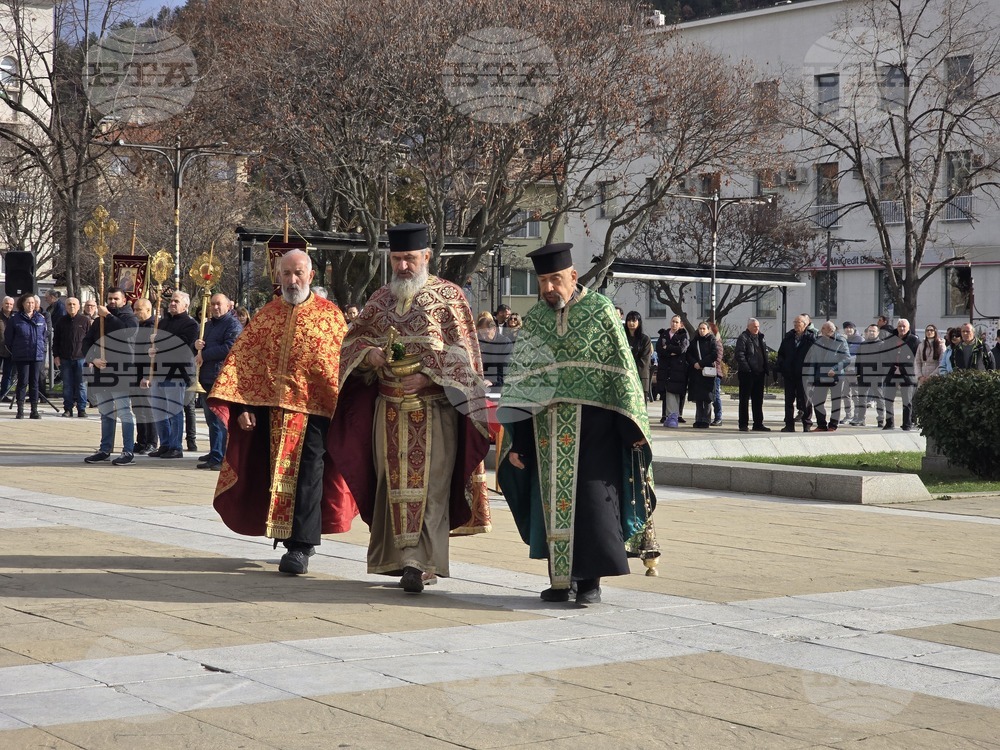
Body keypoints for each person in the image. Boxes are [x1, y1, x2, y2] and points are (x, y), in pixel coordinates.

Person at [332, 223, 491, 593]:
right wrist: (369, 355)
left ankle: (422, 564)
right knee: (391, 487)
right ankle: (398, 559)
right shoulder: (380, 300)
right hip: (387, 411)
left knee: (430, 487)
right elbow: (349, 345)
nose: (403, 266)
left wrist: (430, 378)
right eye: (397, 259)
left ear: (426, 257)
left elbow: (466, 362)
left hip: (434, 413)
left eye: (410, 259)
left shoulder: (450, 298)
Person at [496, 242, 653, 606]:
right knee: (551, 505)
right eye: (542, 282)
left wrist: (631, 430)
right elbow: (521, 385)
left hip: (596, 428)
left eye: (555, 280)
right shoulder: (534, 320)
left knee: (592, 504)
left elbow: (623, 375)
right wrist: (518, 441)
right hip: (545, 430)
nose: (549, 289)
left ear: (572, 276)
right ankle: (560, 580)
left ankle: (589, 583)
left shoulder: (600, 311)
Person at [209, 250, 352, 575]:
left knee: (309, 478)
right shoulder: (267, 315)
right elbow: (244, 364)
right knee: (274, 477)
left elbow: (341, 367)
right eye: (285, 273)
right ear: (278, 276)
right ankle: (286, 536)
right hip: (269, 415)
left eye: (298, 273)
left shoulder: (330, 317)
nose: (292, 280)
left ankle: (300, 547)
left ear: (311, 276)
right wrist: (243, 407)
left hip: (316, 413)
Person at [83, 287, 138, 465]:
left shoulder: (129, 318)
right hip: (101, 370)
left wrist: (108, 316)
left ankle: (128, 451)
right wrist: (93, 359)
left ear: (123, 300)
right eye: (109, 298)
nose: (112, 301)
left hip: (121, 371)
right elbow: (87, 341)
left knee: (124, 411)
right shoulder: (99, 320)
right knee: (106, 412)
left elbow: (125, 332)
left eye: (116, 299)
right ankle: (105, 448)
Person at [146, 291, 198, 458]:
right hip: (159, 371)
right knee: (158, 410)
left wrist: (158, 342)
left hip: (176, 372)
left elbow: (181, 344)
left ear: (185, 305)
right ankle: (165, 443)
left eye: (176, 301)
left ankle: (176, 446)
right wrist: (152, 350)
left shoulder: (190, 324)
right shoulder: (162, 322)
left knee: (174, 411)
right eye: (171, 301)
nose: (172, 304)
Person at [194, 293, 243, 470]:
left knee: (219, 418)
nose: (215, 307)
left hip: (221, 377)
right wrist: (198, 345)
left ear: (228, 306)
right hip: (206, 376)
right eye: (212, 304)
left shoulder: (233, 324)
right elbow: (203, 345)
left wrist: (204, 354)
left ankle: (222, 456)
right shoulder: (207, 325)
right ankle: (215, 452)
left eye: (218, 304)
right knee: (210, 419)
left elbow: (230, 347)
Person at [4, 293, 47, 419]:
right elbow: (8, 338)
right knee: (22, 382)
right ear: (22, 304)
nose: (31, 305)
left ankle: (34, 410)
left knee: (34, 383)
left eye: (33, 303)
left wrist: (40, 346)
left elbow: (44, 335)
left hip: (36, 355)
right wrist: (16, 350)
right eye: (28, 302)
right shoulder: (15, 319)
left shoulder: (40, 318)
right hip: (22, 355)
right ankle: (20, 409)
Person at [804, 321, 851, 431]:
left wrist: (835, 369)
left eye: (830, 330)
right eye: (824, 329)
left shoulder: (841, 341)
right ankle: (821, 424)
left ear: (833, 330)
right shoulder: (818, 341)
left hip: (836, 376)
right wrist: (811, 378)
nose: (825, 331)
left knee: (836, 401)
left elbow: (846, 359)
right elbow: (813, 360)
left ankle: (833, 425)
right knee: (817, 400)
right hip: (820, 375)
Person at [775, 314, 815, 432]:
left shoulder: (811, 338)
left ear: (805, 324)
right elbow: (781, 354)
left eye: (799, 323)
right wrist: (782, 365)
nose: (796, 325)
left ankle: (807, 424)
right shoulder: (788, 337)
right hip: (790, 374)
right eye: (795, 323)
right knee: (788, 401)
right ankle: (789, 425)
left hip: (804, 375)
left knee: (805, 400)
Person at [52, 297, 90, 418]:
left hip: (81, 358)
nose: (72, 306)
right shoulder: (61, 321)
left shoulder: (85, 320)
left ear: (79, 306)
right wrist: (56, 356)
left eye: (74, 304)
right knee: (67, 385)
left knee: (81, 385)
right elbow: (56, 340)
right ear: (66, 306)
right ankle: (68, 408)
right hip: (65, 358)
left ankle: (82, 408)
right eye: (69, 304)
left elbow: (91, 340)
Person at [881, 318, 919, 430]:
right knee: (888, 399)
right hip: (891, 372)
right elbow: (884, 356)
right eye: (899, 326)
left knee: (907, 401)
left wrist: (902, 368)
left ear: (908, 328)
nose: (901, 328)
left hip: (907, 374)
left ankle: (907, 424)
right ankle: (889, 423)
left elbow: (917, 358)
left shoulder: (914, 340)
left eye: (904, 326)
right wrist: (893, 368)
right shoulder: (890, 340)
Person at [131, 298, 158, 454]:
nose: (135, 312)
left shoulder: (154, 328)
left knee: (149, 409)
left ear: (148, 310)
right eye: (134, 309)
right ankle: (141, 440)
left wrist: (148, 375)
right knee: (138, 409)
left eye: (138, 310)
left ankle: (152, 441)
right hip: (134, 372)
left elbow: (153, 355)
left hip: (147, 373)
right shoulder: (136, 326)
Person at [734, 317, 769, 432]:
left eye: (758, 326)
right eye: (754, 326)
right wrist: (748, 369)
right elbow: (740, 355)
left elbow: (764, 354)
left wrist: (766, 368)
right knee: (744, 400)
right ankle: (743, 424)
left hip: (760, 374)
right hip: (747, 374)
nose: (756, 328)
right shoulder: (743, 338)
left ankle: (758, 423)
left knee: (758, 400)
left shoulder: (761, 338)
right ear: (748, 326)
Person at [850, 324, 887, 427]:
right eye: (870, 331)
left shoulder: (882, 345)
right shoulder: (863, 345)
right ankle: (861, 419)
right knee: (862, 398)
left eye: (873, 331)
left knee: (879, 398)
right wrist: (858, 373)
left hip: (877, 376)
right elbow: (858, 360)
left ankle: (880, 419)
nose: (871, 333)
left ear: (878, 332)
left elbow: (884, 362)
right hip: (863, 376)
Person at [655, 315, 688, 427]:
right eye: (673, 321)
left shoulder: (683, 335)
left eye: (677, 322)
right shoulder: (664, 334)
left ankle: (674, 415)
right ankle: (667, 416)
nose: (674, 324)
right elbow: (659, 349)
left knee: (674, 392)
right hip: (665, 368)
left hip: (677, 369)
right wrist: (670, 352)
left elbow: (681, 349)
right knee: (666, 392)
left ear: (680, 324)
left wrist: (667, 348)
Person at [686, 321, 718, 429]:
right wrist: (694, 363)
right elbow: (688, 354)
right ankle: (698, 419)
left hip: (707, 372)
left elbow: (714, 354)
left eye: (704, 329)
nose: (702, 331)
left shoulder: (712, 341)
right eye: (700, 329)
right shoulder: (695, 341)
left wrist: (701, 363)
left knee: (707, 397)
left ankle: (706, 419)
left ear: (708, 330)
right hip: (696, 373)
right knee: (698, 397)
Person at [476, 311, 513, 390]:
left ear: (493, 329)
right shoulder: (479, 342)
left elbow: (505, 369)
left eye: (486, 333)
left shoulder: (505, 343)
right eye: (481, 334)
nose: (484, 337)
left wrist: (493, 382)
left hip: (497, 385)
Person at [624, 311, 653, 402]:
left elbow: (645, 360)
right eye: (629, 320)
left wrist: (631, 370)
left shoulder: (645, 339)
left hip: (640, 376)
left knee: (640, 404)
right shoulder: (622, 338)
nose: (631, 323)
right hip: (624, 376)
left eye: (634, 320)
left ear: (639, 322)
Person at [841, 322, 863, 423]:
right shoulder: (844, 340)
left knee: (856, 394)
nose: (848, 330)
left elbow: (861, 356)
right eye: (846, 328)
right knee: (845, 394)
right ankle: (848, 415)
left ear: (854, 329)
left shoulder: (860, 340)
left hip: (854, 371)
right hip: (844, 371)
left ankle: (857, 415)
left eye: (850, 328)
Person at [708, 321, 724, 425]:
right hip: (706, 371)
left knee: (715, 395)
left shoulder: (717, 342)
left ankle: (718, 417)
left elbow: (718, 358)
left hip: (714, 372)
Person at [0, 296, 15, 401]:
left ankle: (4, 395)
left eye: (10, 304)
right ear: (2, 304)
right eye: (6, 303)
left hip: (10, 350)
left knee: (8, 374)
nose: (8, 306)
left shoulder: (15, 317)